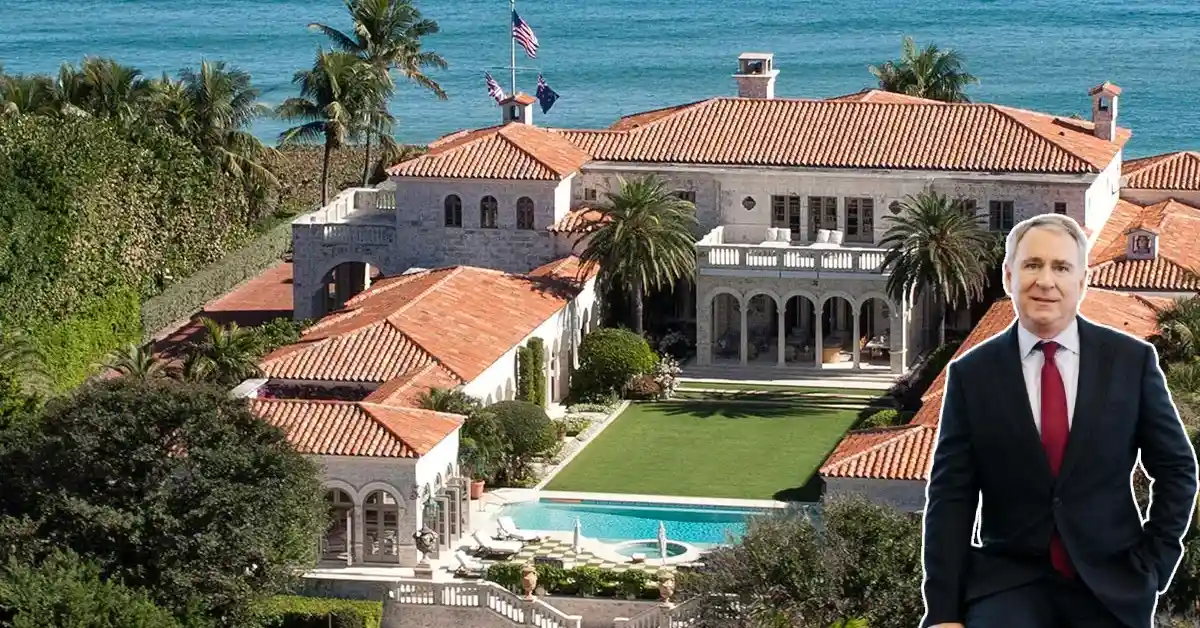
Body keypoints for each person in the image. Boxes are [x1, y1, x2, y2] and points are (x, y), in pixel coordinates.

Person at [920, 213, 1198, 628]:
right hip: (1007, 588)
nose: (1045, 281)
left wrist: (1153, 566)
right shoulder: (971, 375)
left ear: (1082, 281)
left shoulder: (1130, 362)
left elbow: (1177, 468)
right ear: (1009, 275)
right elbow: (951, 498)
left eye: (1061, 267)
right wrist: (942, 612)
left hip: (1113, 585)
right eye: (1032, 265)